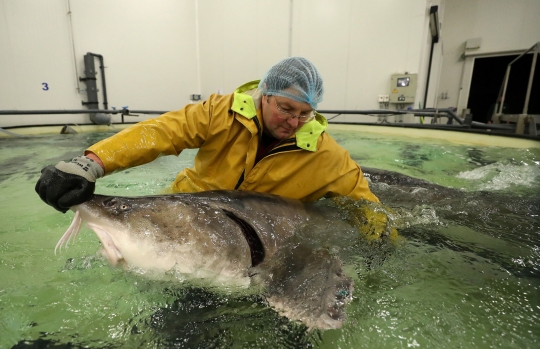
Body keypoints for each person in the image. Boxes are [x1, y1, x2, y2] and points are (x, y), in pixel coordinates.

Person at [36, 57, 379, 213]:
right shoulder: (221, 111)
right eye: (286, 110)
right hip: (185, 214)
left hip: (256, 241)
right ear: (265, 95)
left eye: (305, 115)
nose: (294, 122)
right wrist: (91, 163)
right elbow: (161, 132)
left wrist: (382, 245)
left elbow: (366, 205)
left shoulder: (327, 156)